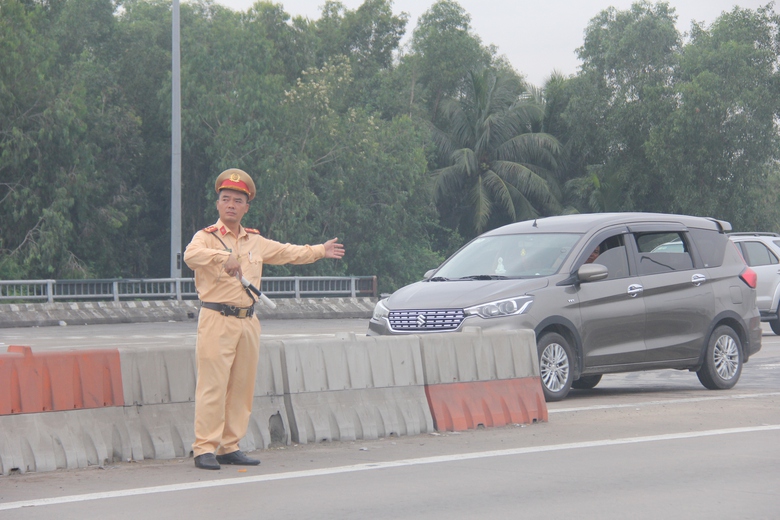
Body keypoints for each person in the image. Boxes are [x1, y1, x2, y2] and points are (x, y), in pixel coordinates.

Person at [184, 168, 345, 470]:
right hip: (217, 317)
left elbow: (286, 252)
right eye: (225, 199)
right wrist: (222, 257)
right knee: (213, 386)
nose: (231, 205)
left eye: (238, 200)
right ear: (217, 204)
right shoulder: (205, 238)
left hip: (247, 320)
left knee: (242, 387)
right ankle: (204, 448)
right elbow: (190, 257)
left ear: (246, 207)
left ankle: (229, 446)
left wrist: (319, 251)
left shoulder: (254, 241)